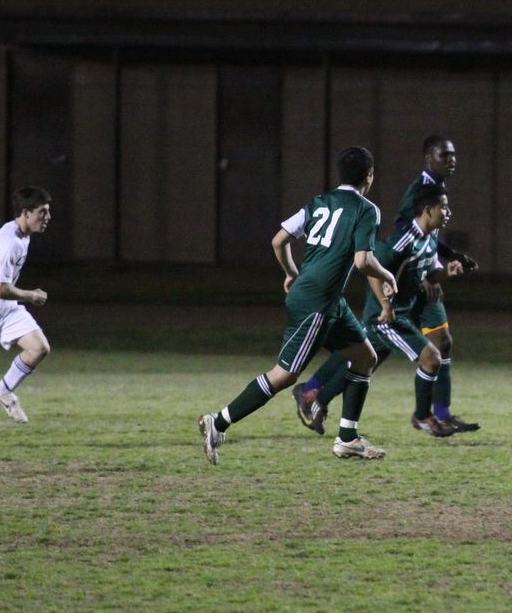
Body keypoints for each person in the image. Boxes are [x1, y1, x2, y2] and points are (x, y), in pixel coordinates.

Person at [197, 146, 397, 464]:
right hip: (317, 302)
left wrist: (291, 273)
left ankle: (348, 439)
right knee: (285, 375)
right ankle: (218, 422)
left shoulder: (319, 202)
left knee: (365, 357)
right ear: (369, 176)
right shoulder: (366, 209)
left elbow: (278, 240)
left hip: (329, 300)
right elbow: (363, 261)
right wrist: (388, 275)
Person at [293, 135, 480, 433]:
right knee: (370, 354)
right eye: (445, 155)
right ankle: (316, 394)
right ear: (428, 158)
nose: (452, 160)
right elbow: (392, 247)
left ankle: (439, 414)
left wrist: (445, 266)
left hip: (415, 281)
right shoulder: (418, 196)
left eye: (453, 155)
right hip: (401, 287)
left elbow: (427, 241)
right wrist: (392, 296)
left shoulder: (436, 201)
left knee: (418, 347)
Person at [0, 186, 53, 424]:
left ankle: (3, 391)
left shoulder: (22, 235)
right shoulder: (8, 242)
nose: (48, 217)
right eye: (42, 212)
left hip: (5, 309)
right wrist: (31, 295)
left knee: (38, 348)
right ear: (26, 213)